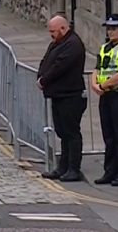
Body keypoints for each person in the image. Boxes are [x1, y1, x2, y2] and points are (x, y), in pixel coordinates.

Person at [36, 15, 87, 181]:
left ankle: (74, 168)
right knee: (62, 132)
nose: (51, 34)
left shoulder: (73, 45)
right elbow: (47, 60)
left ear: (63, 29)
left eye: (53, 31)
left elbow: (60, 66)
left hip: (71, 94)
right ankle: (62, 167)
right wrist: (41, 76)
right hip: (58, 94)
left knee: (71, 133)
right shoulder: (57, 42)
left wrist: (45, 79)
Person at [90, 13, 118, 187]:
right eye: (109, 28)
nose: (110, 31)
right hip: (106, 96)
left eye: (114, 28)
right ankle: (110, 171)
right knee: (109, 136)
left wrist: (103, 86)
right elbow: (96, 69)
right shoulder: (105, 48)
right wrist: (94, 85)